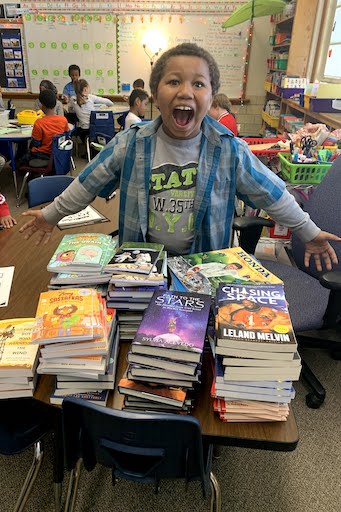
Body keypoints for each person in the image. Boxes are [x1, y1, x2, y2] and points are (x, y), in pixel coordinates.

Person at [20, 43, 340, 273]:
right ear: (155, 95)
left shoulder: (229, 151)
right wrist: (50, 215)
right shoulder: (130, 143)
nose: (186, 91)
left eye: (198, 84)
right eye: (174, 81)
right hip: (142, 265)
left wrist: (308, 232)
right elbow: (87, 182)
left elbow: (273, 194)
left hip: (203, 267)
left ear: (211, 96)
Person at [22, 89, 69, 163]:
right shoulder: (63, 120)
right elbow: (66, 136)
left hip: (42, 155)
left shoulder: (39, 122)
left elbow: (36, 143)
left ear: (42, 105)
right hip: (59, 155)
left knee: (23, 155)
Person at [70, 79, 114, 143]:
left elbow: (70, 109)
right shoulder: (90, 97)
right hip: (96, 130)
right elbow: (108, 102)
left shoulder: (72, 99)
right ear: (85, 89)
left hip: (84, 132)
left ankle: (88, 150)